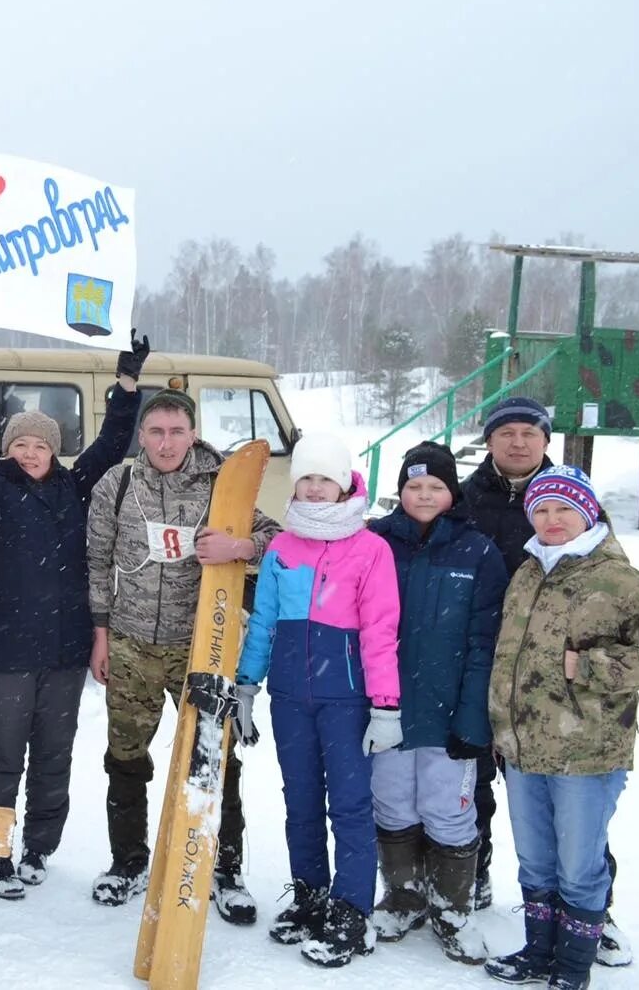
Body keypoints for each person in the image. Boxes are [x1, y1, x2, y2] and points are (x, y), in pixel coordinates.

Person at [0, 334, 146, 899]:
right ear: (8, 449)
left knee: (54, 756)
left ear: (54, 451)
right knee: (3, 756)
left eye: (41, 445)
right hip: (5, 652)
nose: (31, 453)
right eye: (22, 445)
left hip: (64, 650)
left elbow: (113, 443)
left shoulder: (74, 486)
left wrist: (127, 386)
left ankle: (39, 846)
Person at [485, 466, 639, 990]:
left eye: (564, 509)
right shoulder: (528, 571)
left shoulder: (619, 579)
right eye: (542, 509)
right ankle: (538, 952)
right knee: (535, 862)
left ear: (588, 512)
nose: (552, 520)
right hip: (523, 749)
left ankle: (573, 968)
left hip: (586, 753)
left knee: (580, 867)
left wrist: (594, 668)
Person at [84, 386, 280, 918]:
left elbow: (278, 539)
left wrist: (241, 547)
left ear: (192, 433)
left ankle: (225, 869)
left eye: (176, 432)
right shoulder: (117, 484)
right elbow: (97, 562)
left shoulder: (222, 483)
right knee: (125, 758)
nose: (166, 443)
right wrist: (100, 635)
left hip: (203, 649)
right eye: (156, 432)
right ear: (141, 436)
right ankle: (127, 861)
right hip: (129, 646)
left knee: (216, 762)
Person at [235, 433, 400, 968]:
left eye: (324, 478)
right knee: (300, 801)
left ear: (344, 482)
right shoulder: (282, 547)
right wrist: (246, 683)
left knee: (349, 806)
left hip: (347, 699)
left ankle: (351, 910)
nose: (313, 487)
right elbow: (262, 622)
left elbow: (380, 630)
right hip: (290, 696)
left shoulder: (371, 549)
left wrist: (386, 704)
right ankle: (310, 895)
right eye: (306, 477)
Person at [367, 441, 507, 964]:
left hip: (449, 711)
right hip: (388, 709)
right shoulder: (376, 542)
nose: (423, 495)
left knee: (448, 811)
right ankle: (403, 898)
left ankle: (452, 909)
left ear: (452, 493)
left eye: (435, 487)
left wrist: (474, 717)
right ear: (400, 491)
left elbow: (483, 641)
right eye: (413, 486)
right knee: (393, 803)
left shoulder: (478, 551)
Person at [458, 397, 553, 914]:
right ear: (490, 439)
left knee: (552, 788)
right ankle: (474, 870)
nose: (518, 442)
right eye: (507, 433)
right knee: (472, 778)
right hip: (477, 657)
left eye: (529, 433)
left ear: (545, 440)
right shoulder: (465, 498)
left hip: (543, 669)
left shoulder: (567, 497)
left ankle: (582, 903)